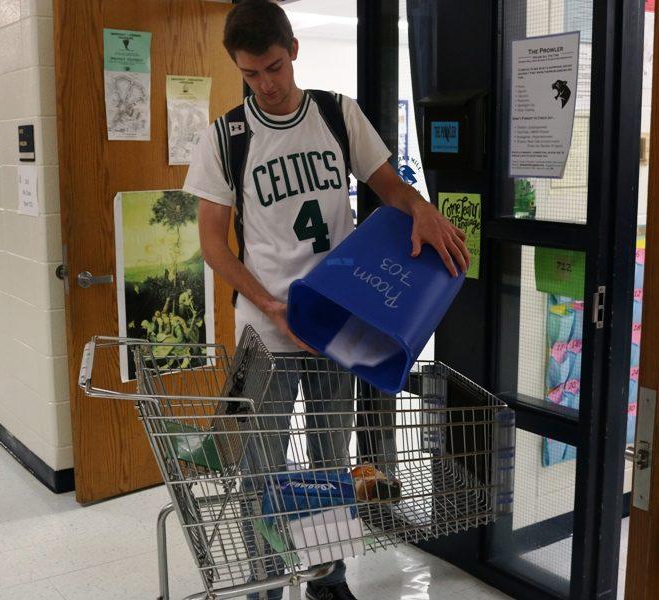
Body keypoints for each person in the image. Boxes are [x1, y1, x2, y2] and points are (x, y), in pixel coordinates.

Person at [183, 2, 470, 598]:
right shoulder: (226, 138)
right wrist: (266, 302)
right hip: (267, 331)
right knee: (261, 467)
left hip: (339, 324)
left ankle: (326, 578)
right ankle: (265, 582)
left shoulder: (338, 115)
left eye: (275, 67)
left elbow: (390, 187)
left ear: (293, 49)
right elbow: (213, 244)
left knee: (327, 463)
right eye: (252, 74)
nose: (267, 85)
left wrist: (422, 211)